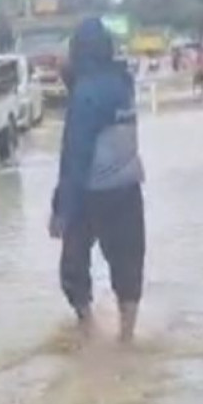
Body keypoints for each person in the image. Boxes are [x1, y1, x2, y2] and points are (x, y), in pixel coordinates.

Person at [50, 18, 146, 342]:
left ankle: (87, 328)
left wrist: (62, 210)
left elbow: (76, 157)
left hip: (92, 194)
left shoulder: (86, 95)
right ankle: (127, 339)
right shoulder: (124, 83)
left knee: (73, 265)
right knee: (129, 264)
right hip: (129, 188)